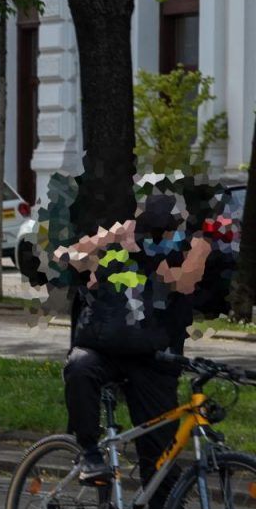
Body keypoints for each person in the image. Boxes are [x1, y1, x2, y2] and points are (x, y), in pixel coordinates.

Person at [56, 189, 210, 482]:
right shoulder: (120, 243)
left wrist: (147, 256)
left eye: (163, 230)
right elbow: (68, 258)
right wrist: (108, 238)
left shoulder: (195, 246)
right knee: (79, 367)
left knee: (160, 463)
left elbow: (184, 282)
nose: (156, 236)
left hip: (155, 360)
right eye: (149, 228)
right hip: (106, 348)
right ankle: (89, 452)